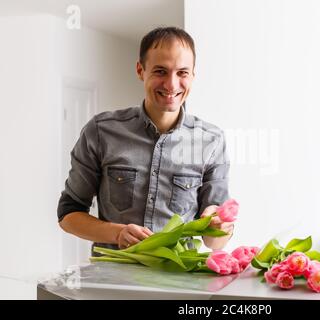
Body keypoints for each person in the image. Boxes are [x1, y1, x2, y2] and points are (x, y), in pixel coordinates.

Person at [57, 27, 233, 253]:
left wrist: (218, 225)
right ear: (141, 70)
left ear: (193, 75)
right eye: (161, 71)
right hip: (113, 281)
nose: (171, 84)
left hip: (178, 282)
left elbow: (214, 243)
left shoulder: (212, 141)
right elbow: (68, 214)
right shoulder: (101, 131)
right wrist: (117, 233)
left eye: (182, 73)